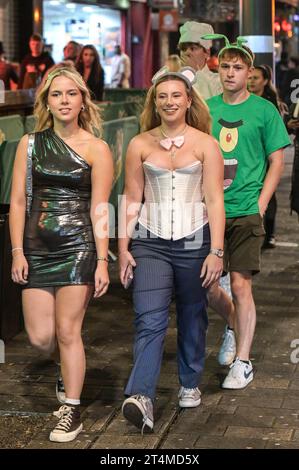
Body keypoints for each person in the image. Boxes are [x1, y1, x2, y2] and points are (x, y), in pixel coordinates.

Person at [9, 63, 114, 442]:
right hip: (36, 248)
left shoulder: (98, 148)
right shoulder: (30, 143)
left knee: (69, 331)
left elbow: (101, 207)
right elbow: (18, 201)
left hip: (78, 247)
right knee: (40, 338)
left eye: (71, 93)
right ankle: (63, 370)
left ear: (83, 100)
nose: (64, 100)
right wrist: (18, 251)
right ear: (47, 102)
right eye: (57, 94)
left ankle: (72, 409)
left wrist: (103, 260)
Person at [118, 66, 225, 432]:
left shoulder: (206, 144)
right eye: (162, 96)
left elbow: (214, 199)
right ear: (154, 102)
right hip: (150, 241)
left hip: (196, 239)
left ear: (188, 100)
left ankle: (190, 381)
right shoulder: (139, 144)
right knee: (149, 318)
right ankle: (141, 396)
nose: (169, 101)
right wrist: (123, 246)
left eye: (176, 95)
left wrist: (217, 251)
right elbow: (132, 198)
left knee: (193, 315)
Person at [202, 33, 290, 389]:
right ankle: (233, 323)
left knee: (240, 284)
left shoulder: (264, 110)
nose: (230, 73)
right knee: (206, 286)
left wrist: (262, 202)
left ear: (249, 72)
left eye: (237, 67)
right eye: (225, 66)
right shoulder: (205, 108)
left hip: (246, 210)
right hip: (209, 210)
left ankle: (243, 360)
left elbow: (277, 160)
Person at [248, 65, 287, 249]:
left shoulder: (269, 105)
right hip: (248, 158)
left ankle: (268, 232)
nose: (252, 81)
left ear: (265, 80)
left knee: (268, 196)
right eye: (251, 77)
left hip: (265, 157)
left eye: (256, 78)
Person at [178, 22, 222, 99]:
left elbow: (209, 106)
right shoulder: (171, 77)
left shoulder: (217, 81)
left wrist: (196, 72)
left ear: (207, 53)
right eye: (183, 49)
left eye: (193, 48)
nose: (187, 52)